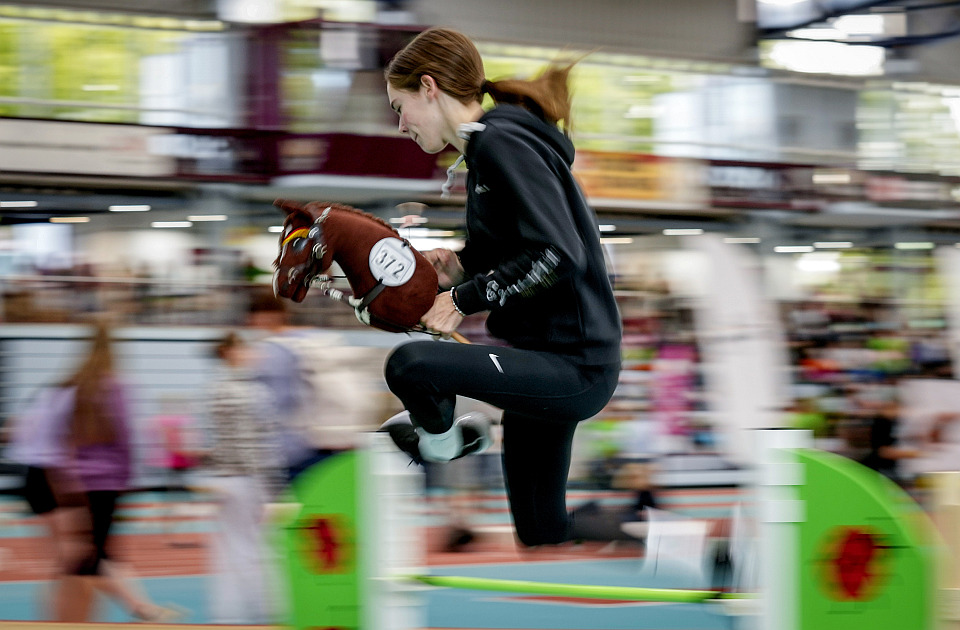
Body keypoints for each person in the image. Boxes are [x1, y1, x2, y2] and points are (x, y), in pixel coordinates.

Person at [380, 27, 622, 547]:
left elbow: (558, 254)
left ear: (429, 87)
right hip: (547, 362)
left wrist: (460, 302)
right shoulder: (486, 149)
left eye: (399, 107)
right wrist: (457, 267)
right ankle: (693, 550)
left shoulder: (501, 141)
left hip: (574, 363)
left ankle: (446, 443)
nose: (400, 125)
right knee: (541, 531)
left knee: (411, 365)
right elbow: (514, 255)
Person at [50, 320, 177, 622]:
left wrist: (67, 478)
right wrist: (127, 479)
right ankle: (140, 609)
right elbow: (125, 436)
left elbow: (64, 436)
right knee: (95, 555)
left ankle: (85, 615)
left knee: (87, 554)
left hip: (78, 482)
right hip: (107, 481)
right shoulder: (117, 385)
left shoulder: (77, 385)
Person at [206, 331, 283, 624]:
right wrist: (272, 489)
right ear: (234, 353)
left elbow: (225, 440)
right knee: (258, 547)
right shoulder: (252, 392)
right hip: (250, 478)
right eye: (247, 348)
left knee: (230, 549)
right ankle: (264, 609)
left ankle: (229, 613)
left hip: (225, 477)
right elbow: (256, 444)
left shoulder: (216, 389)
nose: (254, 353)